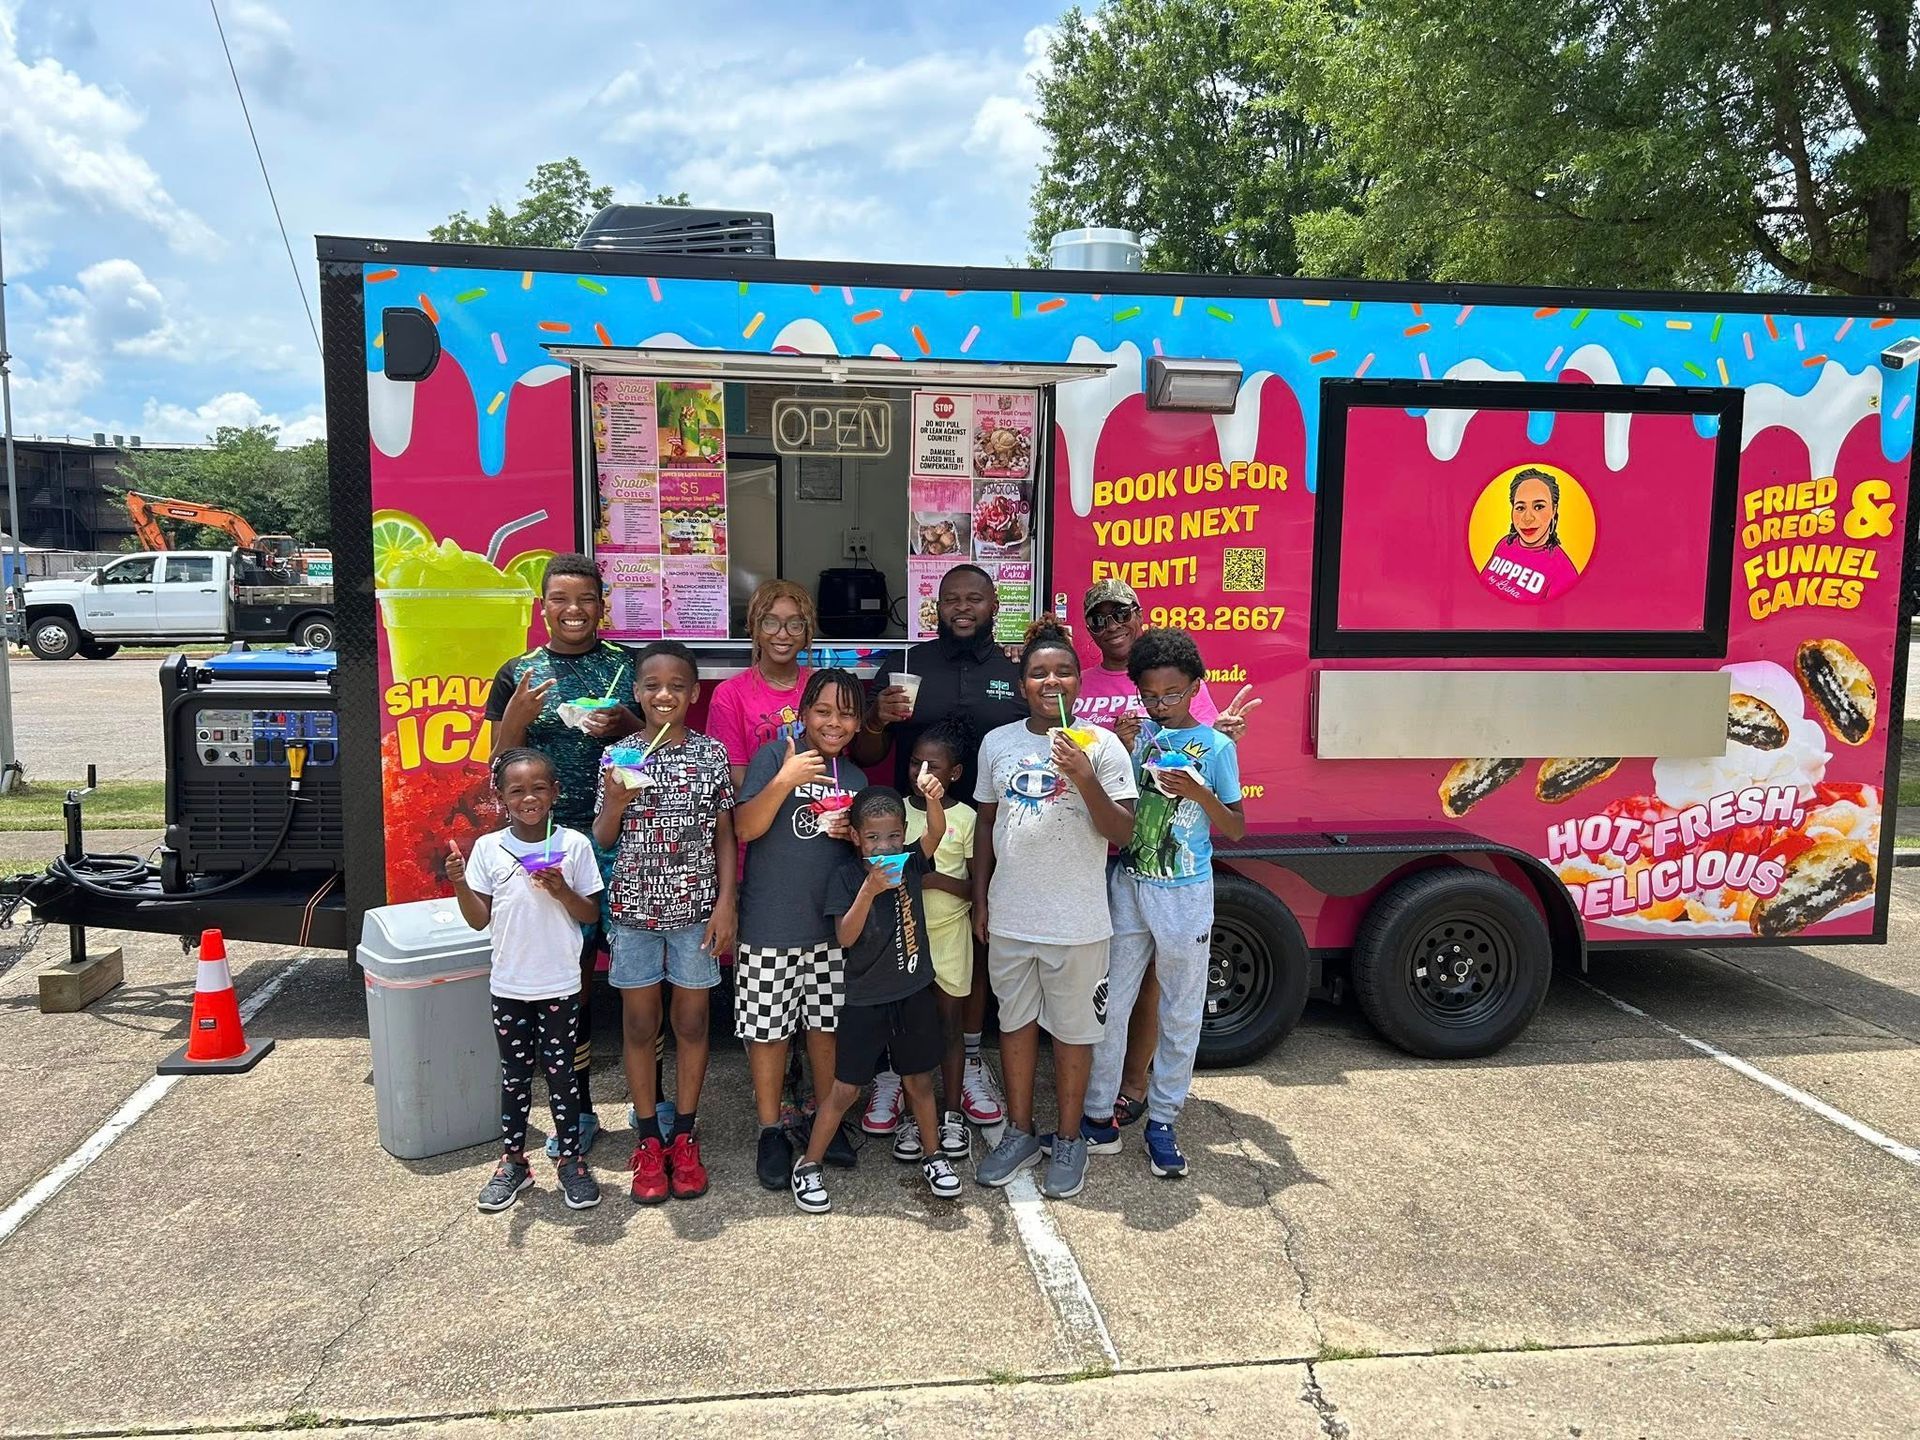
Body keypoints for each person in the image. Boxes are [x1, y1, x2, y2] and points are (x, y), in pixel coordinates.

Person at [854, 563, 1025, 1133]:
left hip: (991, 828)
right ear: (937, 605)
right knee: (896, 938)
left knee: (972, 943)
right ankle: (891, 1068)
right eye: (952, 598)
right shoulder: (906, 665)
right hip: (912, 829)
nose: (962, 608)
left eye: (974, 598)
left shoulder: (1014, 670)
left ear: (994, 604)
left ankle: (969, 1059)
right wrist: (877, 716)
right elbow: (870, 750)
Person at [971, 618, 1137, 1200]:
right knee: (1013, 1027)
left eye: (1063, 671)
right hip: (1012, 915)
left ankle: (1068, 1138)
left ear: (1078, 681)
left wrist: (1085, 778)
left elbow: (1123, 832)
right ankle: (1019, 1131)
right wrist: (981, 898)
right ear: (1022, 685)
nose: (1051, 681)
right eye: (1038, 673)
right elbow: (985, 826)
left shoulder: (1103, 744)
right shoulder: (999, 744)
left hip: (1078, 923)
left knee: (1072, 1034)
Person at [1086, 577, 1259, 1129]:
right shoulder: (1140, 737)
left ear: (1194, 687)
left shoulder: (1215, 743)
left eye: (1172, 694)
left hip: (1184, 889)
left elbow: (1235, 825)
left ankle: (1162, 1114)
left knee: (1180, 1006)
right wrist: (1124, 742)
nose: (1161, 704)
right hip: (1126, 879)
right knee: (1110, 1001)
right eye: (1151, 695)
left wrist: (1201, 787)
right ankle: (1096, 1110)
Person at [485, 553, 640, 1157]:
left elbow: (657, 737)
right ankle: (574, 1109)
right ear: (541, 606)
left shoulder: (626, 667)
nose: (573, 610)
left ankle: (641, 1101)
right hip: (547, 847)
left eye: (586, 599)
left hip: (624, 839)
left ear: (603, 606)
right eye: (560, 599)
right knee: (567, 982)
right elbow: (495, 771)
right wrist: (516, 721)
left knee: (634, 973)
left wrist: (624, 720)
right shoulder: (518, 673)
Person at [594, 641, 736, 1205]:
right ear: (637, 692)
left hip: (697, 911)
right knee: (638, 1024)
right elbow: (604, 838)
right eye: (652, 685)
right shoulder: (619, 756)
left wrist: (727, 902)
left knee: (694, 1022)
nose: (664, 695)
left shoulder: (711, 755)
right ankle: (649, 1138)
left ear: (694, 694)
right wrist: (614, 801)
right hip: (633, 910)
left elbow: (725, 834)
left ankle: (685, 1133)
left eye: (677, 686)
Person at [794, 781, 964, 1212]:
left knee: (919, 1081)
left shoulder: (909, 863)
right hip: (865, 999)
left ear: (904, 832)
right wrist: (869, 889)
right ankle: (808, 1165)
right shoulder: (848, 877)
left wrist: (932, 798)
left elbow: (937, 832)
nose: (883, 846)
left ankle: (935, 1156)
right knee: (845, 1088)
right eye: (872, 838)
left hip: (912, 991)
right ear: (854, 837)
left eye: (892, 836)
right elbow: (845, 937)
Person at [448, 748, 605, 1213]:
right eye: (517, 790)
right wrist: (459, 882)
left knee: (562, 1075)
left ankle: (571, 1160)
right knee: (514, 1077)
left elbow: (590, 913)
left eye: (539, 788)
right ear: (501, 797)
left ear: (555, 792)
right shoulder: (489, 849)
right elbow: (479, 920)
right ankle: (513, 1160)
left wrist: (561, 889)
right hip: (509, 984)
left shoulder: (573, 845)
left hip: (559, 982)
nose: (529, 797)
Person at [733, 667, 868, 1190]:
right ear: (804, 713)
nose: (834, 722)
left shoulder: (853, 779)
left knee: (825, 1027)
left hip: (829, 929)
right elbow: (745, 828)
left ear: (858, 724)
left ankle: (824, 1119)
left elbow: (861, 854)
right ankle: (770, 1128)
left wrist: (849, 834)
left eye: (847, 713)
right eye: (824, 711)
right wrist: (786, 780)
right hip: (770, 923)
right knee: (767, 1032)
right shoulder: (775, 756)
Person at [898, 717, 976, 1162]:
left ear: (955, 774)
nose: (922, 771)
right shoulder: (893, 810)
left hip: (950, 934)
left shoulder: (964, 818)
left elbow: (973, 887)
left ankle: (950, 1115)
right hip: (903, 938)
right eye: (914, 762)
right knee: (912, 1029)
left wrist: (932, 881)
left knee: (949, 1027)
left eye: (934, 765)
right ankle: (913, 1116)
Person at [706, 579, 816, 790]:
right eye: (770, 622)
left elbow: (837, 763)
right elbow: (735, 776)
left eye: (795, 624)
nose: (782, 634)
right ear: (754, 628)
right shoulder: (729, 695)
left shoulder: (823, 686)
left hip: (816, 811)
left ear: (807, 633)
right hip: (756, 812)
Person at [1479, 467, 1580, 602]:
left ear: (1554, 510)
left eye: (1538, 507)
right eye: (1520, 508)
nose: (1527, 518)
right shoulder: (1505, 543)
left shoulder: (1564, 573)